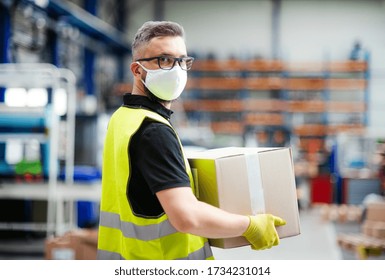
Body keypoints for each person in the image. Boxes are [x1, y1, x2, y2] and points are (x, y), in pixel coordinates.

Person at [97, 20, 286, 260]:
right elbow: (187, 217)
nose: (176, 69)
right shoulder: (152, 130)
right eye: (164, 60)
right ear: (137, 70)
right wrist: (250, 226)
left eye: (182, 61)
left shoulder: (122, 118)